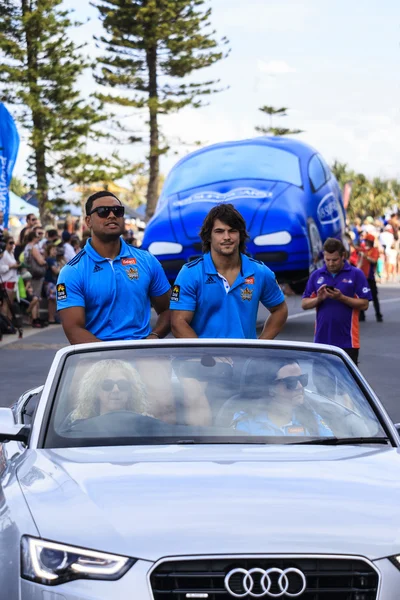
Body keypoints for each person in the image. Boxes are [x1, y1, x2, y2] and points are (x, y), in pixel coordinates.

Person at [57, 190, 171, 344]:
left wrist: (154, 337)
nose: (112, 215)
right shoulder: (72, 271)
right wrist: (113, 360)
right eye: (103, 212)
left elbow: (169, 309)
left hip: (142, 356)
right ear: (88, 221)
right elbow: (74, 330)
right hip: (98, 359)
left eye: (118, 211)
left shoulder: (147, 261)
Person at [170, 203, 288, 339]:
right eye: (219, 231)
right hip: (203, 359)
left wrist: (260, 346)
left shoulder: (259, 272)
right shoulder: (190, 274)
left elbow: (280, 309)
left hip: (244, 359)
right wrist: (207, 357)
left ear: (240, 235)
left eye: (232, 231)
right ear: (208, 236)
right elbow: (178, 323)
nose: (227, 237)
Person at [301, 238, 372, 366]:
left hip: (348, 342)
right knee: (320, 384)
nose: (331, 263)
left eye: (334, 260)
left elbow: (364, 304)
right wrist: (319, 299)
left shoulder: (356, 274)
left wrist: (341, 298)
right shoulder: (317, 275)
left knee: (346, 385)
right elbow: (304, 304)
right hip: (321, 341)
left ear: (343, 256)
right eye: (327, 260)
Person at [232, 358, 333, 437]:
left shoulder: (311, 418)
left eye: (302, 379)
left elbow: (332, 450)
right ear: (271, 389)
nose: (300, 386)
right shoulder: (247, 421)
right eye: (291, 382)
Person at [70, 359, 149, 420]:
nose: (116, 390)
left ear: (131, 391)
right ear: (95, 390)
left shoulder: (145, 425)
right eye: (107, 384)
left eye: (122, 384)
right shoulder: (78, 426)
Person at [356, 234, 383, 322]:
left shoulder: (374, 250)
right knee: (361, 296)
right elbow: (356, 248)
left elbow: (374, 260)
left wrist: (365, 256)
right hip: (362, 277)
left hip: (370, 277)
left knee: (374, 297)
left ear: (370, 241)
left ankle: (378, 315)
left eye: (366, 240)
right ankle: (361, 315)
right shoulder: (364, 249)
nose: (365, 242)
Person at [0, 237, 19, 321]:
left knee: (10, 303)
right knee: (6, 303)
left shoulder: (11, 253)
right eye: (10, 243)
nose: (12, 245)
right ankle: (5, 321)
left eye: (13, 243)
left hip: (12, 280)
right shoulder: (3, 254)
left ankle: (9, 321)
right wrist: (11, 266)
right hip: (6, 280)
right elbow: (1, 268)